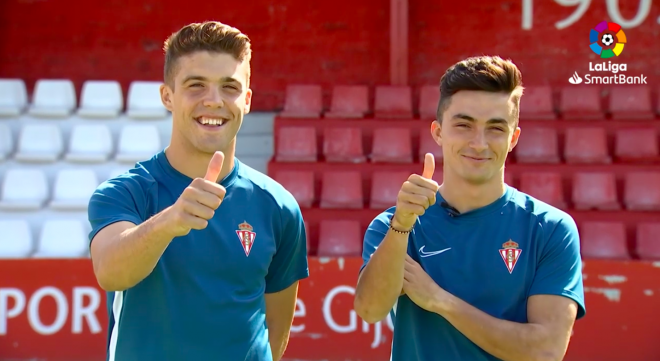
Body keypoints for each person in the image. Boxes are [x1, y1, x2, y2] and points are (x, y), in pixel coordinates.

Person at [87, 21, 309, 361]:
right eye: (196, 85)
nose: (214, 101)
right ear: (167, 96)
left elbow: (275, 328)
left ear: (247, 100)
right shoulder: (124, 193)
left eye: (230, 87)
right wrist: (170, 222)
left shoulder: (279, 207)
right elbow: (110, 272)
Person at [354, 55, 585, 361]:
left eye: (495, 128)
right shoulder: (397, 224)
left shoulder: (550, 229)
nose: (479, 143)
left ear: (513, 138)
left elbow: (545, 351)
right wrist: (402, 225)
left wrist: (439, 300)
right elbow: (370, 310)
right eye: (464, 125)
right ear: (438, 132)